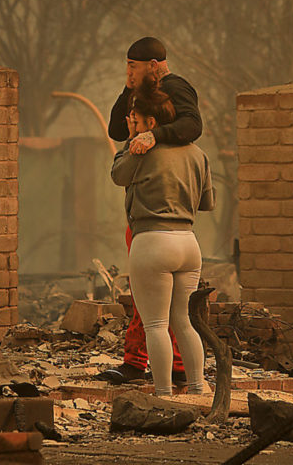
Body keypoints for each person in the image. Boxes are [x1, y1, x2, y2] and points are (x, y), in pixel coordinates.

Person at [101, 36, 203, 386]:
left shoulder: (176, 88)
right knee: (167, 306)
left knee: (158, 307)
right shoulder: (138, 96)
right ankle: (184, 375)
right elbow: (116, 129)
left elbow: (193, 126)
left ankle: (158, 373)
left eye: (133, 66)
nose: (127, 71)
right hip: (168, 227)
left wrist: (153, 137)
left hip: (160, 221)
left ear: (155, 66)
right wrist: (129, 88)